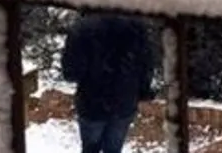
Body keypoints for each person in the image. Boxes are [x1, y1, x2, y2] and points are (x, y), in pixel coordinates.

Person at [62, 12, 156, 153]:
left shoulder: (82, 27)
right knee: (114, 148)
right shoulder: (137, 26)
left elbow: (71, 73)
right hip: (124, 101)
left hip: (92, 102)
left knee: (89, 148)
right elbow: (146, 64)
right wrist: (143, 90)